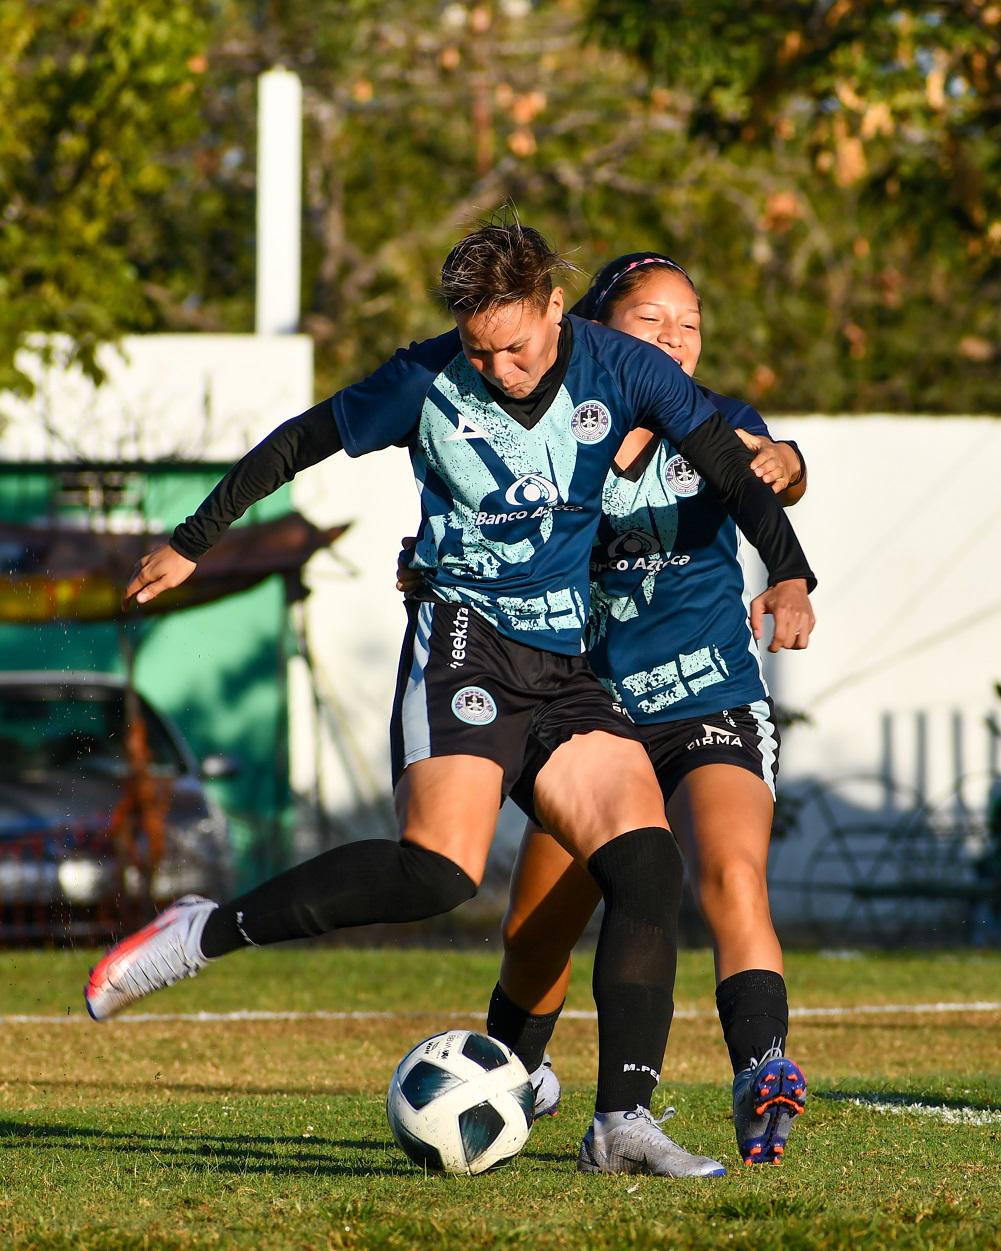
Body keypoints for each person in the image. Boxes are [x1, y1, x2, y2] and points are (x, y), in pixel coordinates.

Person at [84, 223, 816, 1178]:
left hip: (565, 664)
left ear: (556, 308)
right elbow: (299, 441)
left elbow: (732, 468)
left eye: (515, 347)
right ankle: (200, 931)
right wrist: (193, 539)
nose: (499, 369)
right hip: (465, 641)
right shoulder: (427, 378)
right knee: (438, 873)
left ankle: (619, 1123)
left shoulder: (625, 369)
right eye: (479, 350)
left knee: (647, 865)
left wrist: (790, 574)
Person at [468, 253, 812, 1166]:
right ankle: (512, 1076)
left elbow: (772, 474)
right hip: (589, 716)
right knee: (533, 934)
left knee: (731, 873)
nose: (675, 337)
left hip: (709, 697)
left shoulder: (717, 423)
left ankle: (761, 1069)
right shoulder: (549, 431)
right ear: (594, 327)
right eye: (651, 319)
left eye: (689, 323)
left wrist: (787, 469)